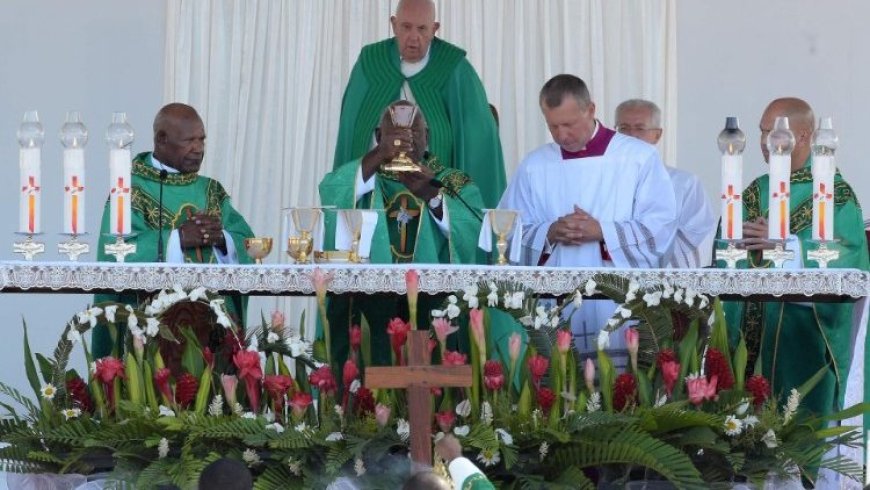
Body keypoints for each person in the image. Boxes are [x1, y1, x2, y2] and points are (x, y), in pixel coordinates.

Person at [499, 75, 677, 369]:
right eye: (553, 125)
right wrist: (550, 232)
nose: (561, 135)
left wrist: (603, 231)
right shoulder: (535, 164)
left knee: (618, 387)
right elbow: (507, 231)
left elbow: (661, 227)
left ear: (591, 109)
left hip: (617, 301)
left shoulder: (637, 157)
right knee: (559, 385)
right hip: (554, 299)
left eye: (569, 124)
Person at [721, 97, 869, 419]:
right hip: (747, 341)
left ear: (803, 136)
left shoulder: (835, 195)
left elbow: (847, 260)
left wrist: (786, 248)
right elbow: (728, 259)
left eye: (772, 134)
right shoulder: (751, 194)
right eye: (761, 133)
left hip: (802, 341)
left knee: (795, 431)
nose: (763, 143)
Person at [320, 100, 487, 367]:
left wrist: (433, 196)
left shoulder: (450, 181)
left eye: (413, 134)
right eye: (394, 136)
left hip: (433, 298)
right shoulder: (362, 177)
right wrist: (379, 155)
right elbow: (330, 191)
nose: (405, 143)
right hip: (371, 300)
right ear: (378, 138)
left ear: (427, 138)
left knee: (430, 383)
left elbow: (474, 228)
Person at [92, 103, 255, 358]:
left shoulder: (211, 191)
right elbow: (114, 254)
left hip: (211, 333)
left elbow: (247, 242)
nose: (199, 148)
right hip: (152, 337)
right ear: (161, 140)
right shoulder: (129, 190)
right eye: (189, 140)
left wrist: (222, 240)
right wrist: (177, 239)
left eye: (202, 139)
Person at [332, 0, 505, 209]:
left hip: (432, 199)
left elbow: (480, 140)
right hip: (376, 196)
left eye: (422, 28)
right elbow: (351, 132)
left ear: (435, 29)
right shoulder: (370, 64)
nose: (413, 37)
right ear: (394, 24)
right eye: (406, 27)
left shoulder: (455, 69)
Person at [615, 99, 717, 268]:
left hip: (665, 282)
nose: (631, 136)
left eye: (640, 128)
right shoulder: (603, 182)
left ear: (657, 135)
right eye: (623, 128)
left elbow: (696, 235)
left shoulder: (684, 183)